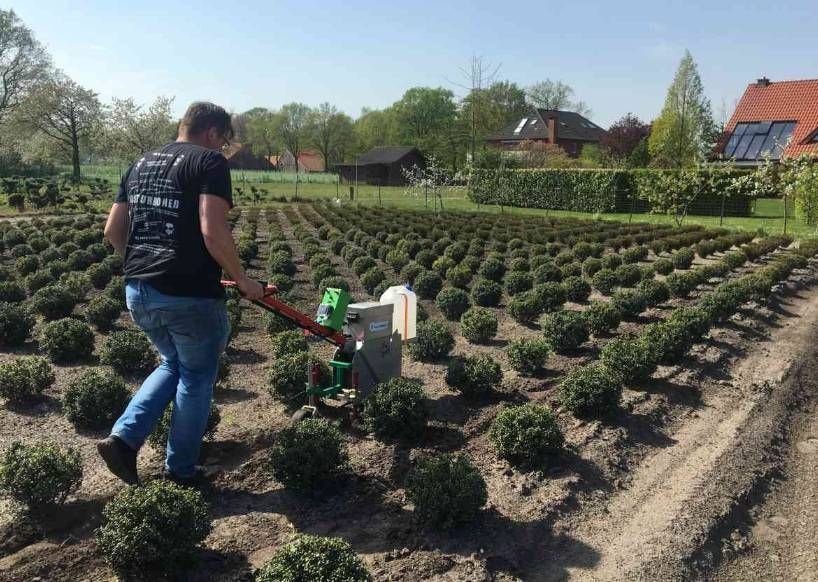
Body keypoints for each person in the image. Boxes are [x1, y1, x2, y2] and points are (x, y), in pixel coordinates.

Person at [97, 102, 264, 486]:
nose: (223, 148)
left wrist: (144, 264)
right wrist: (242, 279)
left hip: (139, 290)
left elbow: (112, 230)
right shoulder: (209, 163)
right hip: (189, 296)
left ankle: (123, 439)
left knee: (173, 364)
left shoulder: (140, 163)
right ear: (213, 133)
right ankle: (182, 471)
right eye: (224, 141)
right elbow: (212, 229)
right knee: (196, 376)